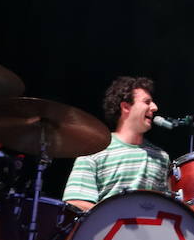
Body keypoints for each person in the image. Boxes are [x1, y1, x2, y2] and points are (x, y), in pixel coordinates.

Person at [63, 76, 170, 211]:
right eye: (147, 102)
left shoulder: (161, 157)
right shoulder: (94, 151)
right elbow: (75, 202)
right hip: (106, 230)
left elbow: (167, 209)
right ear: (126, 107)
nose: (154, 107)